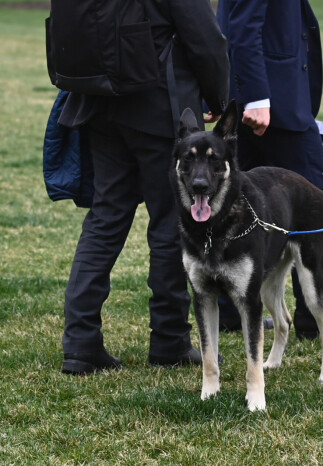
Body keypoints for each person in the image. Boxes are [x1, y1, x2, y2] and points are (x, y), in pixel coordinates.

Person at [57, 0, 229, 375]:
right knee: (170, 224)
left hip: (100, 103)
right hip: (160, 107)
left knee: (105, 219)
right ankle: (169, 339)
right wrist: (218, 98)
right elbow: (205, 38)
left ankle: (81, 343)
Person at [215, 0, 323, 339]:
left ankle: (231, 305)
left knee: (240, 196)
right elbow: (243, 23)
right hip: (271, 100)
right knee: (317, 196)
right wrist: (259, 97)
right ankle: (314, 309)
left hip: (262, 92)